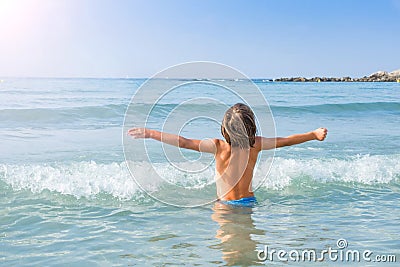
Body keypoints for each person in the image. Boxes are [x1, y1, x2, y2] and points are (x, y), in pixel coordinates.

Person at [128, 103, 327, 205]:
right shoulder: (255, 145)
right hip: (249, 203)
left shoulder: (218, 146)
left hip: (225, 206)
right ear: (251, 128)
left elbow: (183, 142)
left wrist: (151, 133)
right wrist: (313, 134)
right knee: (248, 248)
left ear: (224, 130)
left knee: (228, 252)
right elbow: (287, 140)